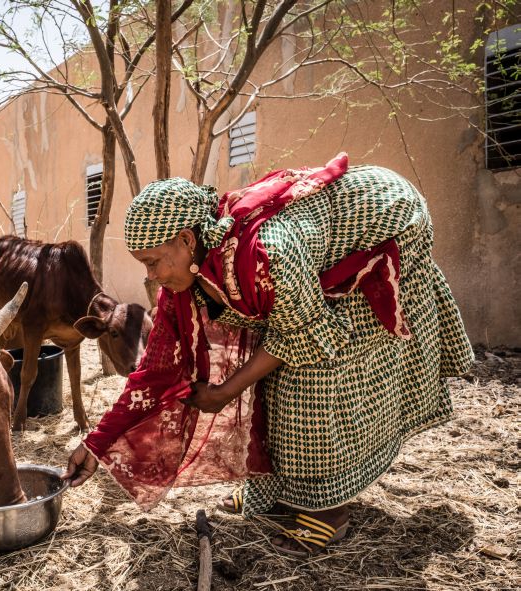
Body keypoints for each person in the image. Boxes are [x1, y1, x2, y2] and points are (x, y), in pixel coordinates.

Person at [62, 153, 473, 557]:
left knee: (311, 382)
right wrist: (96, 445)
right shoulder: (181, 285)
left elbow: (309, 337)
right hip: (319, 261)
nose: (150, 277)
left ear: (187, 240)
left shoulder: (268, 254)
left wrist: (224, 392)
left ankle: (330, 511)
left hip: (387, 222)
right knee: (270, 382)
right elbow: (155, 372)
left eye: (153, 262)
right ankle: (279, 492)